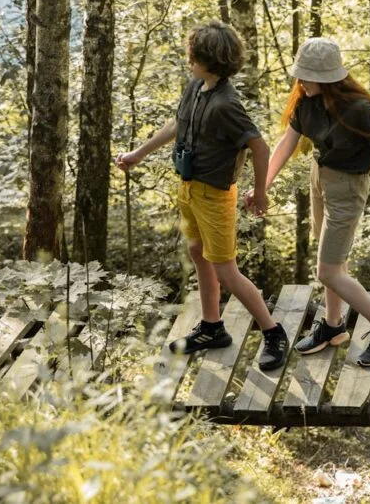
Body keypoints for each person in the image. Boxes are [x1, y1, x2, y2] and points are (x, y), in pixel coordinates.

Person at [115, 21, 289, 371]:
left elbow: (259, 145)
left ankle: (273, 332)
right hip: (189, 188)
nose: (188, 61)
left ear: (210, 61)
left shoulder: (227, 104)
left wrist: (260, 191)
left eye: (192, 57)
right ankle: (212, 327)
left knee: (226, 270)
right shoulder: (196, 86)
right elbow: (178, 124)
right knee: (197, 252)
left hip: (216, 195)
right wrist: (138, 153)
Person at [248, 38, 370, 367]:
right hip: (320, 178)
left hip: (348, 188)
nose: (300, 81)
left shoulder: (359, 110)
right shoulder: (306, 101)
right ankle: (333, 325)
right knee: (333, 263)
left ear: (327, 78)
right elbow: (287, 143)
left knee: (327, 271)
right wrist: (262, 187)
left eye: (307, 75)